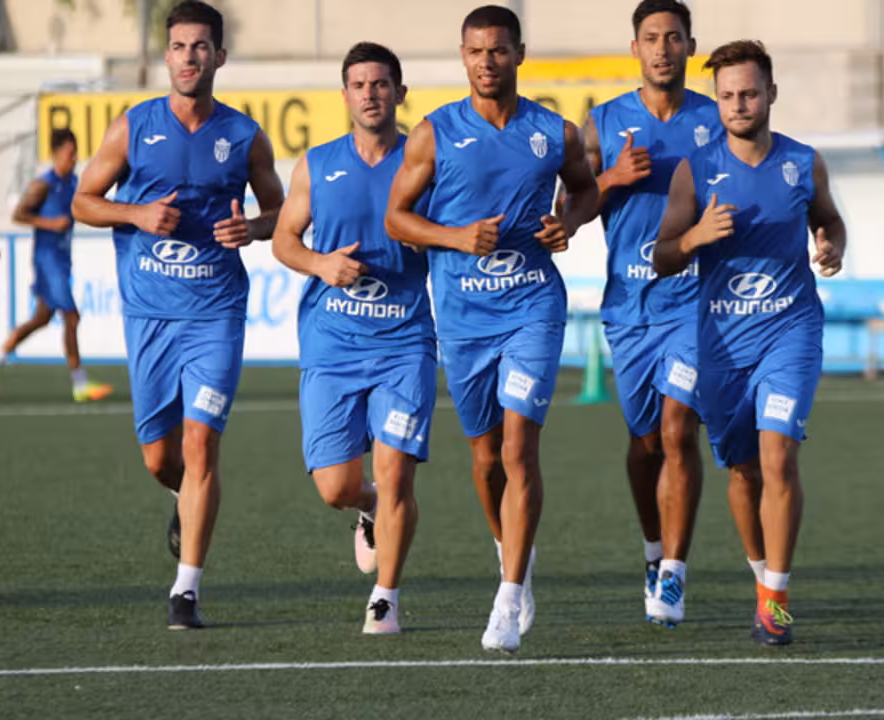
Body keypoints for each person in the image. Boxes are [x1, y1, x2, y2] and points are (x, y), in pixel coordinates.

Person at [384, 5, 599, 653]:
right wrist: (454, 236)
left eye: (498, 50)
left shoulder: (553, 132)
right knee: (484, 459)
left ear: (519, 54)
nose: (487, 62)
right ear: (463, 56)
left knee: (518, 447)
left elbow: (586, 191)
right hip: (464, 318)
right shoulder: (434, 133)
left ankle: (506, 599)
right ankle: (515, 556)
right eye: (476, 51)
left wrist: (569, 223)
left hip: (533, 305)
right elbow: (396, 218)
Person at [71, 0, 285, 630]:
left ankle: (186, 589)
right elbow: (84, 201)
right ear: (166, 56)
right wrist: (135, 213)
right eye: (179, 46)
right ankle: (180, 495)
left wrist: (252, 228)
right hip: (150, 317)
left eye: (200, 46)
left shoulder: (245, 136)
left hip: (216, 313)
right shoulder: (132, 127)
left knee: (200, 443)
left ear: (220, 55)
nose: (189, 57)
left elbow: (281, 213)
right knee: (160, 459)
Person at [653, 40, 846, 646]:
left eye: (750, 93)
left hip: (790, 332)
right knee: (742, 471)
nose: (739, 104)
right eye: (728, 95)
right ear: (717, 101)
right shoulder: (695, 169)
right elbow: (662, 256)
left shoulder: (803, 162)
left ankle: (775, 603)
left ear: (771, 95)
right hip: (723, 345)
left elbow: (828, 218)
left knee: (778, 457)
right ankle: (762, 576)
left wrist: (832, 244)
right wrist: (695, 237)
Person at [272, 42, 435, 636]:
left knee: (396, 473)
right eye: (360, 85)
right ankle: (366, 509)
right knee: (336, 487)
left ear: (400, 92)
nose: (370, 94)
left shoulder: (425, 162)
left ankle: (386, 597)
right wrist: (321, 264)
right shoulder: (316, 165)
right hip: (333, 345)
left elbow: (451, 232)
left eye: (381, 83)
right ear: (344, 96)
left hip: (404, 344)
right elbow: (284, 240)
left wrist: (430, 237)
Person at [583, 0, 721, 627]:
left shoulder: (716, 119)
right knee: (643, 444)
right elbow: (569, 208)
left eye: (673, 37)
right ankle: (651, 548)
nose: (663, 48)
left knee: (677, 430)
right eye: (651, 38)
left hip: (694, 303)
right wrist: (611, 178)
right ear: (634, 48)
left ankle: (674, 573)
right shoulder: (603, 122)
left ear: (690, 45)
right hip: (630, 308)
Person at [0, 128, 113, 403]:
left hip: (62, 260)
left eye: (75, 153)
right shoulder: (43, 184)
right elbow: (19, 214)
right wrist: (50, 223)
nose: (74, 158)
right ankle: (80, 383)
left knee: (41, 318)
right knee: (72, 317)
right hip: (47, 260)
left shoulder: (73, 181)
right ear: (56, 153)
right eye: (70, 153)